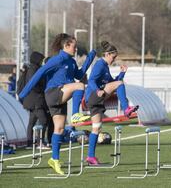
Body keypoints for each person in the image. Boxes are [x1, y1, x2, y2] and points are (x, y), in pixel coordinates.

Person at [19, 33, 96, 175]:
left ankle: (54, 160)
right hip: (53, 93)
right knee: (79, 86)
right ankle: (75, 115)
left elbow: (79, 75)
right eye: (74, 46)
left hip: (62, 96)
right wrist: (23, 93)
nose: (76, 49)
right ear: (66, 46)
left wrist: (90, 57)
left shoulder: (71, 61)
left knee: (59, 129)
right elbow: (38, 74)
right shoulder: (57, 59)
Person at [84, 41, 139, 165]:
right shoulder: (100, 64)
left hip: (95, 101)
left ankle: (90, 157)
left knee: (96, 128)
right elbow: (91, 80)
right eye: (113, 57)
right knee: (120, 84)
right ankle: (126, 109)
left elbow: (114, 82)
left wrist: (122, 73)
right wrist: (98, 90)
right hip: (94, 95)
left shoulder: (106, 67)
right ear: (107, 54)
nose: (114, 60)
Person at [22, 52, 51, 150]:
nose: (42, 61)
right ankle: (40, 142)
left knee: (32, 122)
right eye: (41, 59)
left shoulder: (32, 69)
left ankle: (29, 143)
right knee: (44, 120)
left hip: (32, 101)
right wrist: (42, 90)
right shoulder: (33, 70)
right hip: (36, 101)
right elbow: (34, 85)